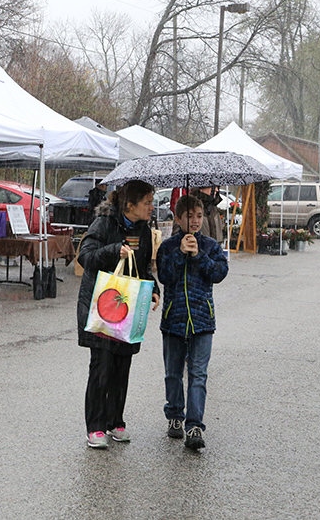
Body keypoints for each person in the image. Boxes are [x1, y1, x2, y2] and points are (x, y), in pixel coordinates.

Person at [77, 180, 160, 450]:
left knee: (122, 367)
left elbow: (144, 267)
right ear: (130, 205)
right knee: (101, 366)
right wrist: (115, 250)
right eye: (147, 203)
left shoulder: (144, 230)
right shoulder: (104, 223)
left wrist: (155, 288)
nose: (151, 207)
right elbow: (85, 257)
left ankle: (115, 421)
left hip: (129, 306)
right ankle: (96, 427)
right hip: (101, 307)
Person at [156, 195, 229, 451]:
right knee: (173, 374)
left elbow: (219, 273)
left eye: (199, 216)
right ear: (178, 219)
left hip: (202, 321)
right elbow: (165, 276)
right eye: (189, 216)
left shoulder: (210, 246)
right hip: (174, 320)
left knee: (198, 375)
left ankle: (195, 424)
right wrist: (180, 253)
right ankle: (175, 416)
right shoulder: (167, 247)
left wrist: (198, 255)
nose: (195, 221)